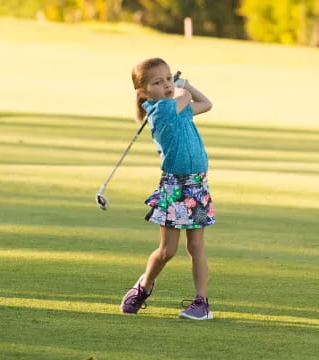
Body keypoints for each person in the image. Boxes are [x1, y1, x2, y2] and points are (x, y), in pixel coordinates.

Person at [121, 57, 215, 320]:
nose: (166, 85)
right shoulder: (160, 110)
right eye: (157, 82)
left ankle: (201, 303)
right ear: (142, 92)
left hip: (196, 184)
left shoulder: (176, 106)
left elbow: (206, 104)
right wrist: (182, 86)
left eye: (168, 79)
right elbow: (184, 97)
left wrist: (186, 84)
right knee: (167, 251)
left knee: (196, 247)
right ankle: (144, 286)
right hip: (175, 187)